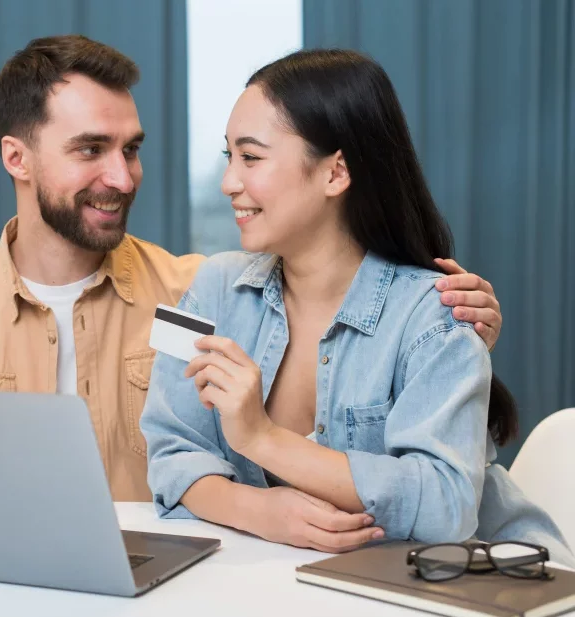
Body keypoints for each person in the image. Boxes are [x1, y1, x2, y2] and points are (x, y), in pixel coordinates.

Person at [0, 36, 504, 522]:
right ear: (16, 158)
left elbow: (325, 300)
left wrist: (454, 327)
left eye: (131, 149)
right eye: (90, 150)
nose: (122, 176)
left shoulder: (200, 295)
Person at [139, 48, 573, 565]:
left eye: (251, 157)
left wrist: (263, 438)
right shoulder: (209, 286)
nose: (228, 181)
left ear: (335, 173)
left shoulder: (439, 313)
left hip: (481, 580)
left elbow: (445, 507)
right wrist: (258, 510)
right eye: (229, 156)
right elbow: (168, 452)